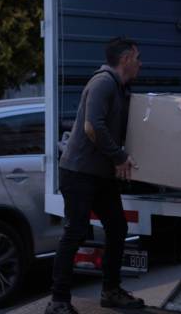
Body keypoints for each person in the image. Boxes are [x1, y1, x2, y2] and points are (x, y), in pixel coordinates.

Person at [45, 37, 144, 314]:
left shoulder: (120, 88)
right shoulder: (102, 83)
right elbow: (92, 127)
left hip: (100, 175)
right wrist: (120, 156)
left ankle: (110, 291)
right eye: (137, 58)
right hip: (78, 172)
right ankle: (59, 301)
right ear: (125, 59)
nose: (140, 64)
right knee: (75, 232)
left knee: (117, 228)